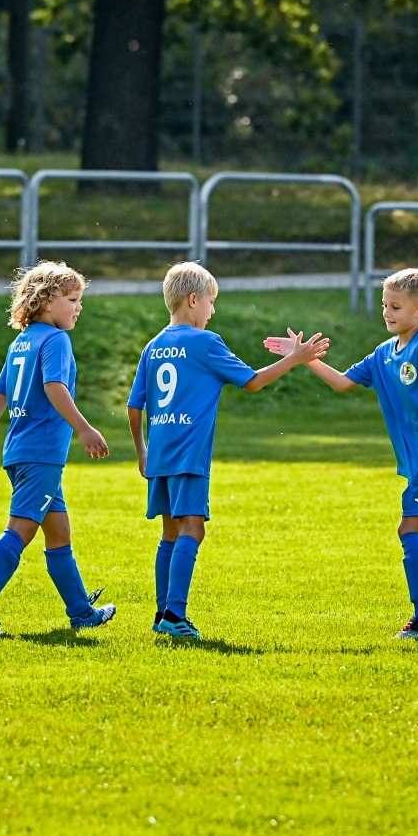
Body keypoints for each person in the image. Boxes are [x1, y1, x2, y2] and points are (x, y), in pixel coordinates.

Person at [127, 262, 328, 640]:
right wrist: (296, 359)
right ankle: (174, 615)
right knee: (193, 529)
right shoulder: (205, 343)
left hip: (161, 454)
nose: (213, 310)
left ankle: (161, 614)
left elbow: (134, 407)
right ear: (193, 300)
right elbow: (252, 382)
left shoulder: (153, 347)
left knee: (170, 532)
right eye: (211, 301)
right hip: (189, 454)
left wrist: (142, 452)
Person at [265, 268, 418, 640]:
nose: (388, 313)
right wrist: (303, 357)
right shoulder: (384, 354)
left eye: (396, 307)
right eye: (385, 305)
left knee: (409, 530)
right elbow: (343, 382)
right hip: (417, 461)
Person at [0, 261, 117, 635]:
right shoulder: (56, 340)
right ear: (45, 301)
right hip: (41, 455)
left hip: (21, 452)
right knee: (20, 531)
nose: (78, 307)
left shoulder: (21, 342)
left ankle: (81, 612)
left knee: (59, 535)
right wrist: (84, 429)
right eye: (72, 299)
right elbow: (54, 388)